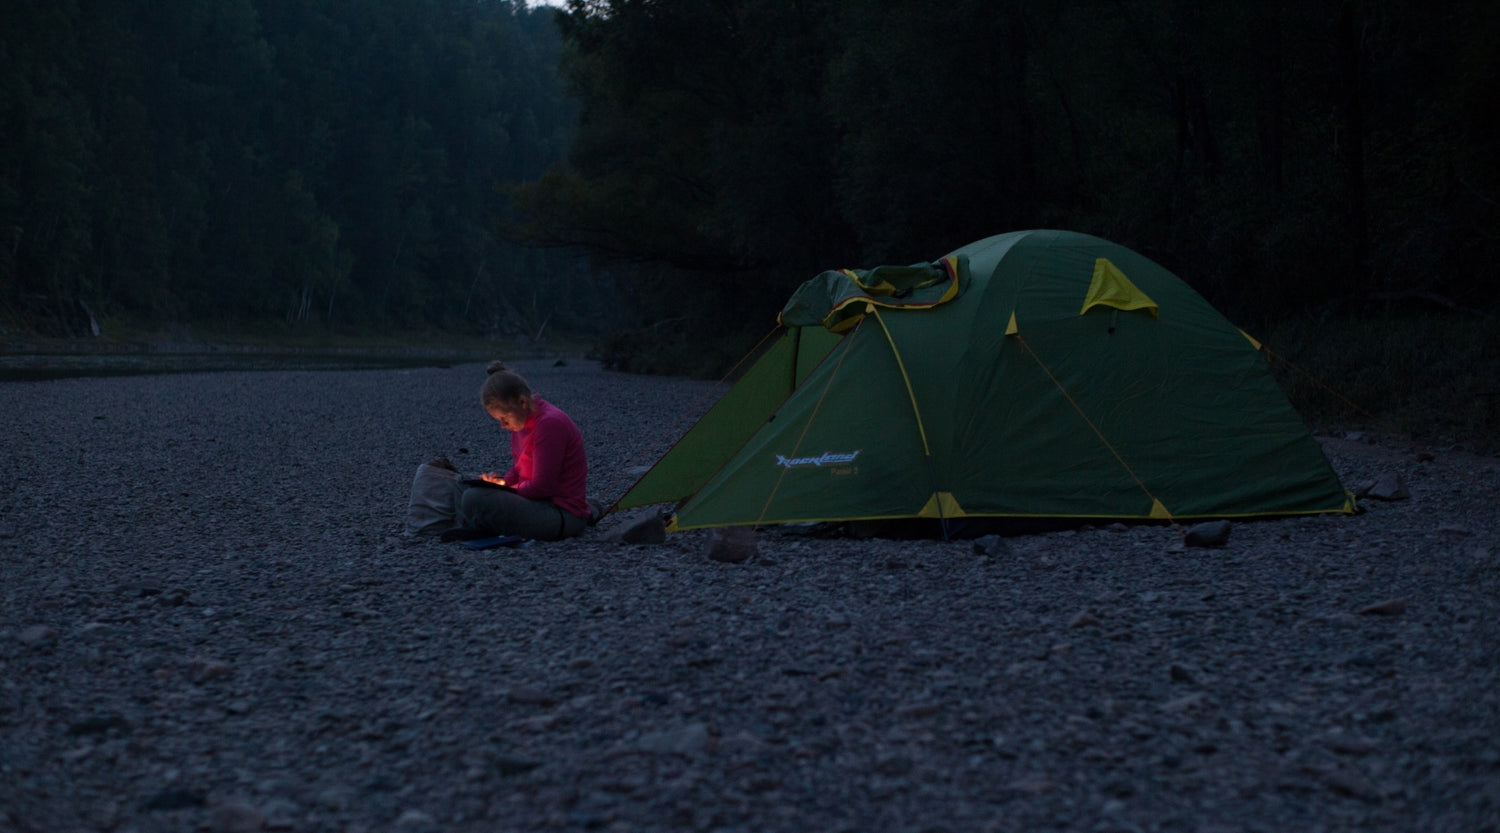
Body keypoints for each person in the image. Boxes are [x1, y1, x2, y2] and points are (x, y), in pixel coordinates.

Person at [446, 361, 594, 541]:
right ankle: (476, 524)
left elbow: (542, 487)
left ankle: (478, 524)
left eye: (504, 418)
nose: (502, 425)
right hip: (535, 501)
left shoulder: (549, 424)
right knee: (462, 484)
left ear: (522, 402)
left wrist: (506, 490)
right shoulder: (521, 422)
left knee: (473, 498)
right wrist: (501, 482)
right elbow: (519, 469)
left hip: (559, 513)